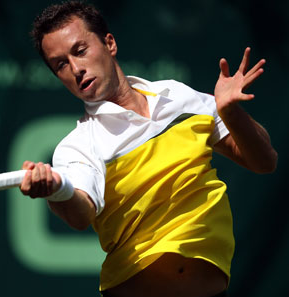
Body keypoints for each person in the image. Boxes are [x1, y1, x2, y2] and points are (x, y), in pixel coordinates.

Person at [19, 1, 278, 297]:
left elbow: (264, 161)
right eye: (61, 64)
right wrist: (56, 190)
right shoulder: (78, 146)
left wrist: (231, 114)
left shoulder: (177, 96)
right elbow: (80, 213)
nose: (76, 69)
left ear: (109, 43)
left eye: (80, 50)